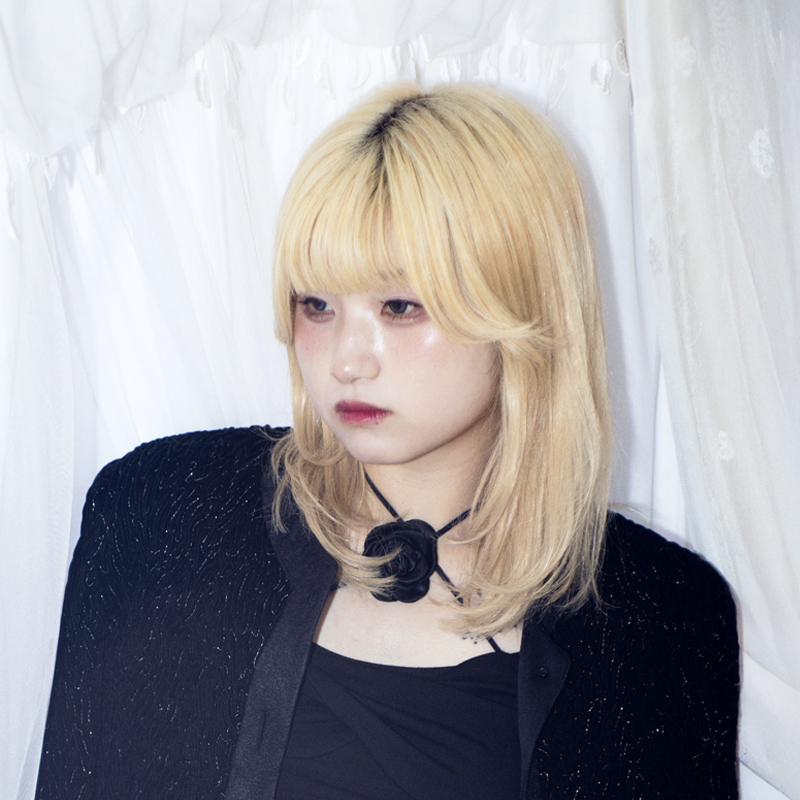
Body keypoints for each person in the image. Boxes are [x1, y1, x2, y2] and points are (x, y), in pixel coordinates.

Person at [35, 83, 739, 799]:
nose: (347, 360)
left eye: (400, 306)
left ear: (524, 309)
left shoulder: (660, 617)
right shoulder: (163, 513)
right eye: (317, 305)